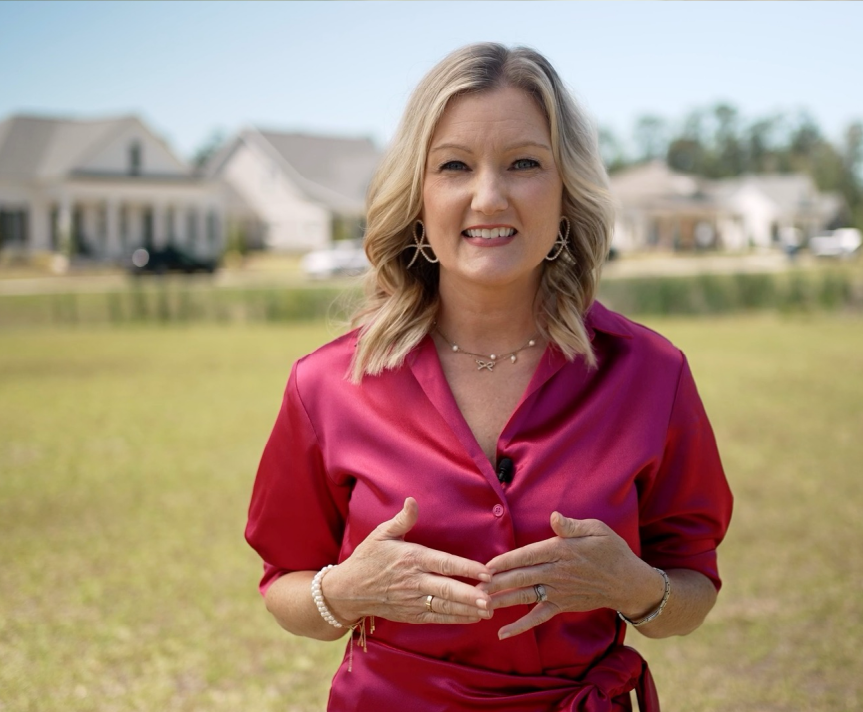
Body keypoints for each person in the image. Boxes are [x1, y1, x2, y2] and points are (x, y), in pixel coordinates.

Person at [245, 42, 733, 711]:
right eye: (453, 166)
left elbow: (692, 592)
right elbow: (283, 585)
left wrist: (635, 587)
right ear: (417, 195)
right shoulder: (326, 385)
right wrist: (344, 592)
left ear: (565, 188)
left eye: (523, 163)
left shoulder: (651, 375)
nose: (488, 196)